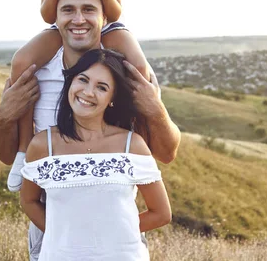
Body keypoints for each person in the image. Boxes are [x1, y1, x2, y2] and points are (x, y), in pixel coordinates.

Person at [0, 0, 180, 260]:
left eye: (89, 10)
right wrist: (3, 118)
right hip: (54, 234)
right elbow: (10, 166)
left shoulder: (129, 77)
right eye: (68, 10)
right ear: (54, 19)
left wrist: (109, 235)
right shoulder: (35, 74)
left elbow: (167, 156)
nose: (78, 19)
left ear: (106, 18)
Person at [6, 0, 150, 191]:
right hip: (65, 26)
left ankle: (143, 144)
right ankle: (23, 150)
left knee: (137, 66)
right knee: (22, 62)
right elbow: (48, 17)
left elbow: (116, 11)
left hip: (106, 25)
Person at [20, 48, 171, 260]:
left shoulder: (131, 145)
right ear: (71, 82)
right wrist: (65, 235)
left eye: (101, 87)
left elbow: (161, 213)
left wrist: (109, 236)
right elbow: (28, 201)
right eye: (83, 80)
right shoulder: (43, 145)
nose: (88, 92)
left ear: (112, 98)